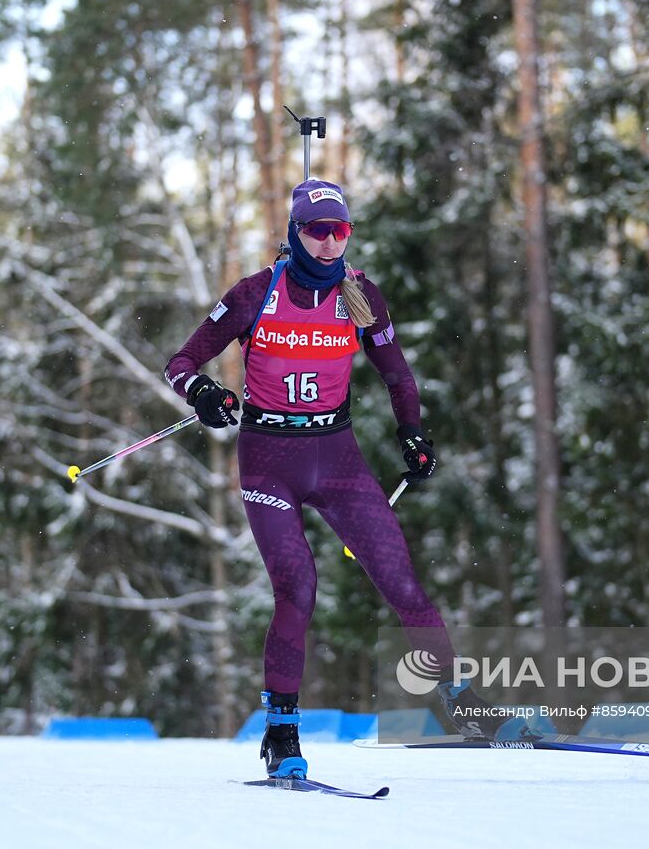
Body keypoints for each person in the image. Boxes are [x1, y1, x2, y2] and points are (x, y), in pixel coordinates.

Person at [165, 179, 534, 779]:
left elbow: (399, 376)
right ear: (295, 233)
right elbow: (179, 363)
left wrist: (411, 432)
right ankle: (281, 733)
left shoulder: (360, 296)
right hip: (269, 459)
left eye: (342, 231)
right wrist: (201, 391)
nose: (332, 244)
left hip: (337, 457)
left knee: (401, 580)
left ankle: (461, 704)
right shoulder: (256, 293)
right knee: (298, 589)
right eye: (319, 230)